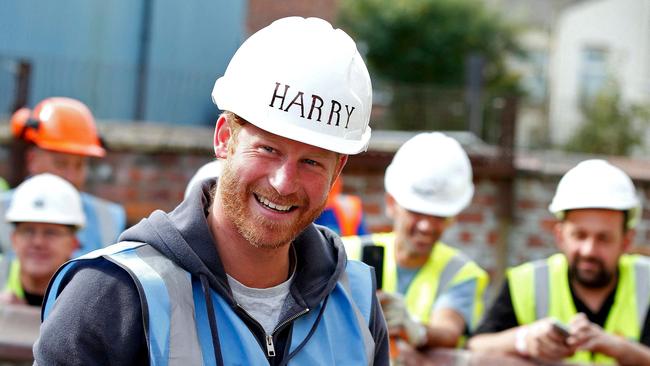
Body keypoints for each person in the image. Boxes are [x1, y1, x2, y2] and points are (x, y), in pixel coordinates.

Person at [35, 16, 388, 365]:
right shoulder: (112, 294)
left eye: (311, 161)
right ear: (223, 139)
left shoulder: (356, 301)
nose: (284, 183)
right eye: (267, 149)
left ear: (337, 170)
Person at [468, 159, 650, 365]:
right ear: (560, 236)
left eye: (604, 238)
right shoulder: (526, 282)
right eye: (580, 235)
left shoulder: (647, 283)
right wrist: (524, 339)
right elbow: (476, 346)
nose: (589, 250)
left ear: (626, 241)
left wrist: (620, 349)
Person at [344, 132, 489, 350]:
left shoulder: (461, 272)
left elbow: (449, 331)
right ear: (391, 204)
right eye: (417, 212)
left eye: (439, 216)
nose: (426, 226)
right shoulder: (346, 253)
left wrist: (414, 330)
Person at [0, 97, 125, 257]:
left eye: (79, 165)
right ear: (32, 160)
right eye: (61, 164)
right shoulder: (2, 210)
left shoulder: (109, 219)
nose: (71, 177)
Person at [0, 174, 84, 307]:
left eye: (51, 233)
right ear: (14, 239)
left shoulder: (88, 293)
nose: (38, 242)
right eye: (28, 231)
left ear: (73, 243)